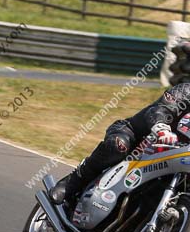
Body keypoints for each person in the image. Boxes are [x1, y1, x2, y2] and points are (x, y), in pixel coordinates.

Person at [51, 82, 190, 208]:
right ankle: (73, 182)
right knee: (118, 146)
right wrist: (161, 128)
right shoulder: (185, 91)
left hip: (173, 161)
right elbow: (159, 110)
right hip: (136, 137)